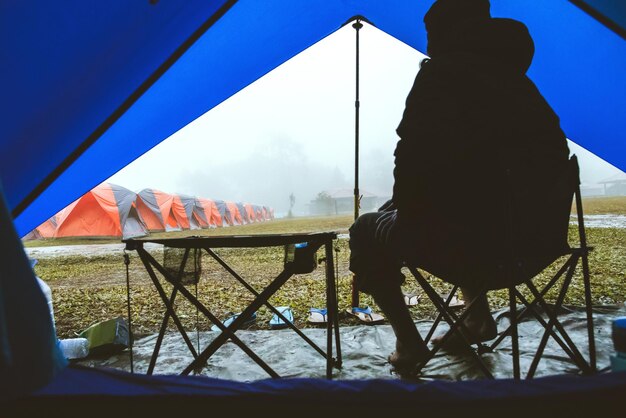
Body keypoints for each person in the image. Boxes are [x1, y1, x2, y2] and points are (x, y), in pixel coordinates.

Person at [348, 0, 571, 372]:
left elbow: (412, 162)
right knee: (474, 205)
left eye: (432, 34)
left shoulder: (439, 79)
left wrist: (399, 204)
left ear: (450, 32)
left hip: (460, 246)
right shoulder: (522, 85)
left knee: (365, 229)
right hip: (533, 244)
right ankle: (476, 318)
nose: (428, 44)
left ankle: (408, 344)